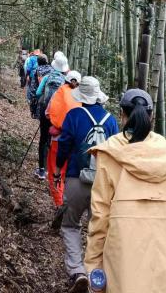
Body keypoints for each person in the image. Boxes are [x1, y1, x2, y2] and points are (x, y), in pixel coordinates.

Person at [84, 88, 166, 293]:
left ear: (122, 115)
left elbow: (99, 217)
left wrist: (94, 265)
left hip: (125, 261)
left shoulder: (110, 153)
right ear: (151, 117)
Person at [54, 76, 119, 293]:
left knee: (70, 225)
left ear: (81, 95)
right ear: (99, 96)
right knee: (98, 230)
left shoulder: (74, 115)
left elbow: (64, 146)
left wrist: (58, 169)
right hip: (103, 184)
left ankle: (77, 271)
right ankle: (96, 278)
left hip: (76, 178)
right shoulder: (111, 121)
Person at [47, 70, 82, 211]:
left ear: (65, 80)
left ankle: (59, 203)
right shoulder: (83, 96)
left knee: (55, 171)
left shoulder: (59, 92)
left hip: (58, 139)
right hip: (76, 142)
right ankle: (69, 203)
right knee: (69, 173)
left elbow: (48, 113)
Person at [34, 51, 69, 180]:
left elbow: (38, 93)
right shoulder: (65, 81)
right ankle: (51, 169)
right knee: (53, 139)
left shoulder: (47, 77)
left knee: (43, 139)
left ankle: (41, 170)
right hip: (58, 115)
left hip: (45, 112)